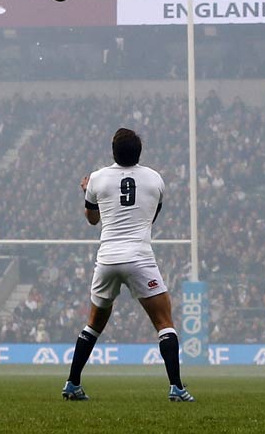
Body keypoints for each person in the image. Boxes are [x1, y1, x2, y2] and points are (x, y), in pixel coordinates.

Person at [62, 126, 192, 403]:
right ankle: (176, 388)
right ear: (139, 152)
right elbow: (151, 216)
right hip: (139, 257)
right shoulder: (155, 179)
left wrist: (87, 193)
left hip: (107, 258)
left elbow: (92, 220)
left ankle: (72, 383)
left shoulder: (97, 178)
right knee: (164, 322)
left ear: (113, 151)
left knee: (93, 324)